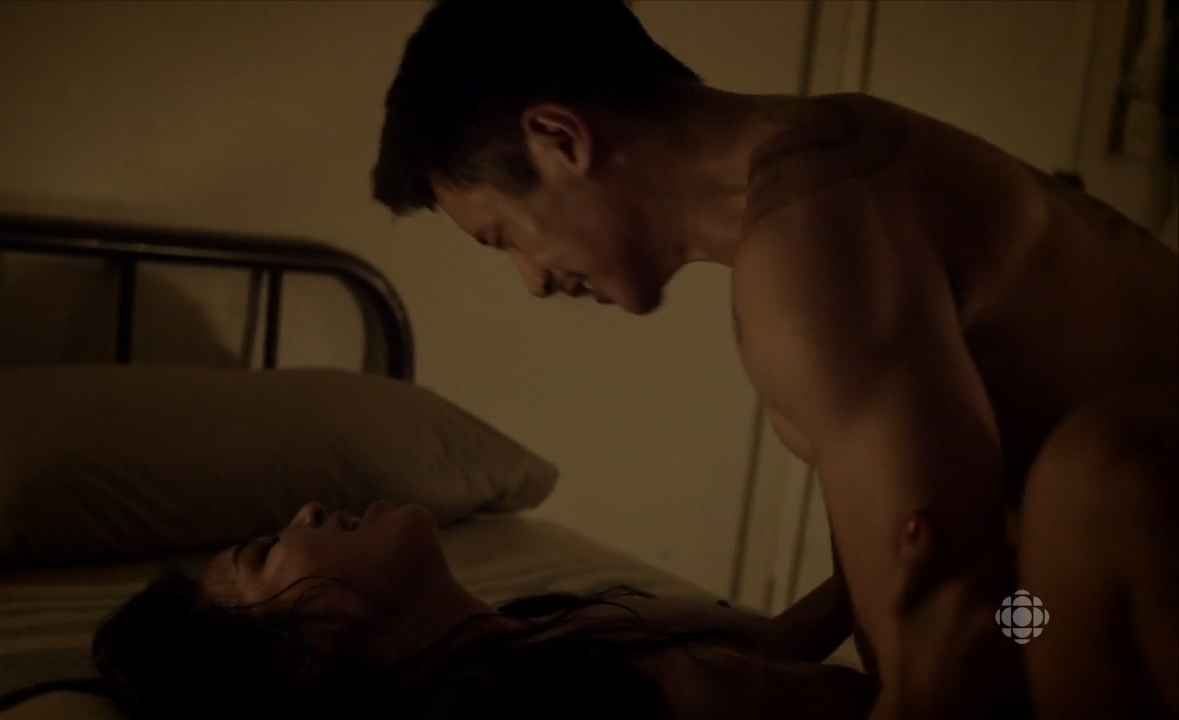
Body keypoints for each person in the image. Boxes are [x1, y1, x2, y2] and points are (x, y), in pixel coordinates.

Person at [368, 1, 1179, 718]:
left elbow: (959, 640)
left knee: (1085, 496)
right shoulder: (833, 150)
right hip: (1071, 602)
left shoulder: (809, 248)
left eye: (502, 236)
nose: (533, 279)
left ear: (558, 139)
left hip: (1072, 590)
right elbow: (944, 561)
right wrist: (795, 634)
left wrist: (1014, 615)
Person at [92, 500, 875, 719]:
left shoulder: (545, 623)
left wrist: (871, 523)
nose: (309, 510)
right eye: (267, 550)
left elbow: (779, 647)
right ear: (306, 648)